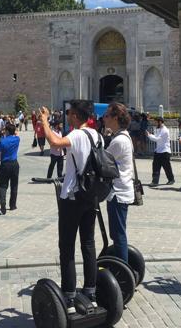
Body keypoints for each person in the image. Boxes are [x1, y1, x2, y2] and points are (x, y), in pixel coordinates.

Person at [40, 100, 100, 313]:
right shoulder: (96, 135)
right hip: (90, 196)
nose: (67, 116)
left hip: (73, 196)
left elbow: (55, 143)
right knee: (88, 243)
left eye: (68, 113)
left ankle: (70, 296)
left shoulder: (76, 135)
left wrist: (44, 120)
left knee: (67, 247)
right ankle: (91, 292)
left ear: (75, 115)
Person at [103, 103, 134, 262]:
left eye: (107, 115)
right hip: (122, 191)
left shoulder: (119, 141)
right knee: (118, 233)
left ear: (115, 118)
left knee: (118, 234)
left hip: (118, 193)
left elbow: (101, 161)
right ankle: (123, 267)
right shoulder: (122, 137)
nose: (104, 118)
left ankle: (123, 273)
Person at [0, 122, 20, 215]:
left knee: (3, 185)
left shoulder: (3, 141)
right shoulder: (17, 139)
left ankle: (3, 203)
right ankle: (12, 205)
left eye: (5, 130)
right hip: (14, 164)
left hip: (5, 164)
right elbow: (17, 133)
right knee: (14, 185)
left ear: (8, 131)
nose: (4, 131)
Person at [146, 117, 175, 187]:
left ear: (160, 122)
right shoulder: (159, 129)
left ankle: (171, 179)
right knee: (155, 167)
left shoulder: (165, 130)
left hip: (165, 151)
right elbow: (156, 136)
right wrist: (150, 135)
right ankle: (155, 181)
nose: (155, 124)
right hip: (158, 151)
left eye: (156, 122)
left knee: (167, 167)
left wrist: (149, 135)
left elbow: (157, 139)